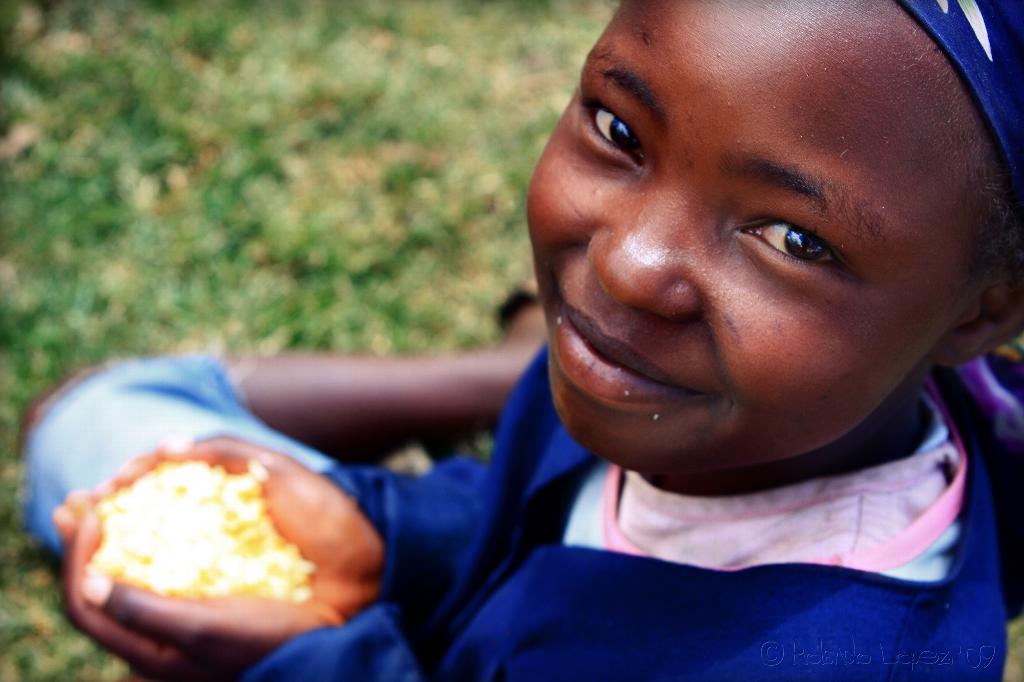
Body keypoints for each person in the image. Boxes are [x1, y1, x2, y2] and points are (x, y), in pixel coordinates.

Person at [21, 0, 1024, 679]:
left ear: (983, 311)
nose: (629, 264)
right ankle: (513, 372)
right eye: (620, 131)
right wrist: (380, 533)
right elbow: (526, 536)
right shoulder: (683, 392)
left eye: (793, 240)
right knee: (86, 422)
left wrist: (309, 662)